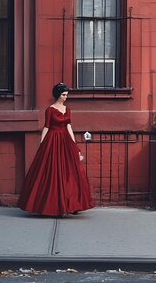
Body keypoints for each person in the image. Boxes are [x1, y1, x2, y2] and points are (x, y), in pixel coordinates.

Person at [18, 82, 94, 217]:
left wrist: (74, 143)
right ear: (58, 95)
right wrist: (42, 143)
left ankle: (72, 204)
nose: (66, 97)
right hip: (52, 140)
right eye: (64, 95)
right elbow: (46, 127)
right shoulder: (50, 110)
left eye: (66, 95)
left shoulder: (68, 109)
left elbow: (69, 126)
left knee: (71, 171)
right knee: (51, 172)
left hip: (65, 140)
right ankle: (51, 205)